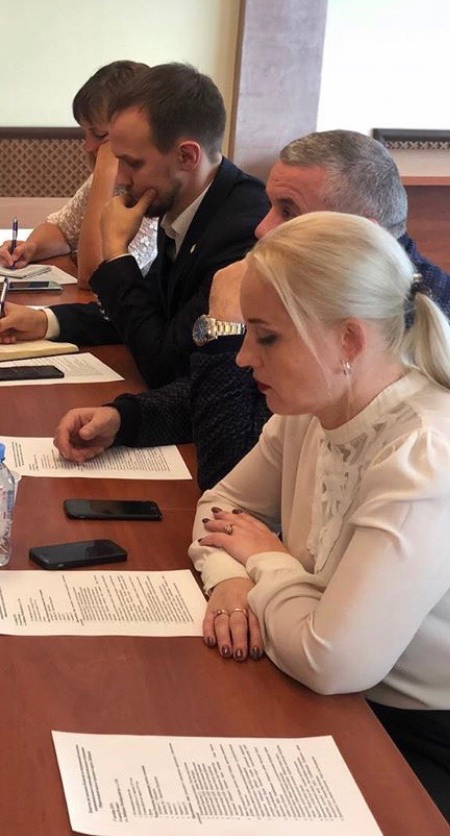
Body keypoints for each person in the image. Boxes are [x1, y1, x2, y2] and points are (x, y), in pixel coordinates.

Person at [188, 212, 450, 819]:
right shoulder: (312, 410)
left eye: (266, 337)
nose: (242, 358)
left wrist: (266, 562)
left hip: (414, 736)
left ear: (349, 341)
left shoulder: (424, 454)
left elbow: (333, 661)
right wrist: (228, 581)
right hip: (319, 691)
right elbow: (219, 505)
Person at [55, 130, 450, 489]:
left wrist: (224, 329)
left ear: (361, 234)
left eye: (287, 212)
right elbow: (248, 391)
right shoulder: (329, 286)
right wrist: (127, 419)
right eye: (270, 207)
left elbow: (225, 468)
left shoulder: (405, 324)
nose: (262, 228)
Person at [0, 63, 269, 387]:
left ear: (187, 157)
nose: (120, 178)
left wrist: (117, 252)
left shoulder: (243, 230)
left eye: (132, 163)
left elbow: (165, 364)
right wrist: (45, 321)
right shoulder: (177, 198)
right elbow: (151, 312)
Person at [0, 60, 158, 281]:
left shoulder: (154, 195)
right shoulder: (107, 178)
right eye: (85, 133)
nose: (88, 146)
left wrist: (105, 173)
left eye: (99, 135)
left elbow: (95, 275)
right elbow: (62, 229)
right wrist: (31, 247)